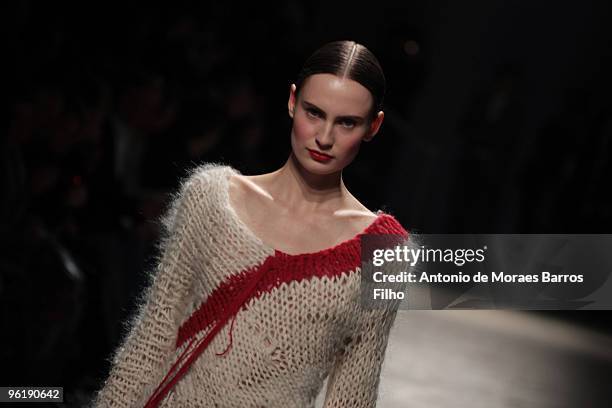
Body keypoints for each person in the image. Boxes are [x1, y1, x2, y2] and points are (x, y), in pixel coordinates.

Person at [91, 40, 411, 408]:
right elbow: (153, 336)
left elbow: (353, 396)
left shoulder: (384, 252)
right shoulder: (210, 199)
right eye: (314, 113)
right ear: (292, 102)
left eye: (347, 123)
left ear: (374, 126)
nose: (325, 137)